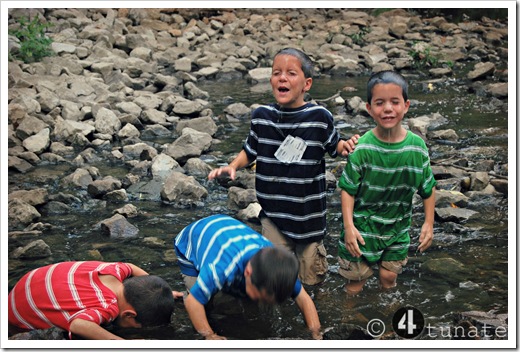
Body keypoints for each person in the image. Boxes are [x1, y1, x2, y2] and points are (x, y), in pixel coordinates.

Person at [208, 47, 358, 286]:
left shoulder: (319, 116)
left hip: (309, 220)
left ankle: (313, 315)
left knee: (311, 281)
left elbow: (335, 146)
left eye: (291, 73)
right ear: (271, 80)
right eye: (277, 73)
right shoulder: (262, 116)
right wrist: (234, 165)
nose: (282, 78)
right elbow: (250, 150)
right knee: (273, 281)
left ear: (306, 84)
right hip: (274, 217)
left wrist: (347, 145)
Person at [337, 70, 437, 295]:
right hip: (361, 228)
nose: (388, 109)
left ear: (406, 105)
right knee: (355, 284)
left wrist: (428, 224)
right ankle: (348, 320)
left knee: (388, 278)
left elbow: (428, 189)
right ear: (369, 108)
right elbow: (348, 189)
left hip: (397, 227)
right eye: (380, 103)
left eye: (395, 102)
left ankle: (389, 323)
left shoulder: (417, 148)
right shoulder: (362, 148)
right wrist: (348, 227)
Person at [173, 214, 322, 340]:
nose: (263, 302)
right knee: (204, 303)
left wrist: (316, 333)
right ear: (248, 273)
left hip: (229, 232)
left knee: (246, 304)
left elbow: (304, 298)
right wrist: (209, 335)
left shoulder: (279, 270)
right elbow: (193, 302)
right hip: (192, 242)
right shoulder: (222, 268)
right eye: (261, 297)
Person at [8, 261, 181, 340]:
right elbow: (78, 325)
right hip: (17, 316)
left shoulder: (112, 270)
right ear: (129, 315)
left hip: (29, 281)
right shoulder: (108, 307)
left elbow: (131, 266)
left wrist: (161, 290)